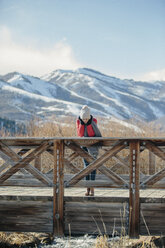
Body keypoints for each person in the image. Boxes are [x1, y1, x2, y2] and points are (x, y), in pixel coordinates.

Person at [76, 105, 102, 196]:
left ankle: (92, 188)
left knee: (93, 167)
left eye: (87, 119)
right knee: (86, 167)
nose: (85, 120)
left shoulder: (93, 121)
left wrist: (89, 123)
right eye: (84, 119)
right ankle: (87, 188)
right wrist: (82, 124)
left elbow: (92, 134)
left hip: (93, 147)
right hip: (84, 146)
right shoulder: (78, 121)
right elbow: (80, 134)